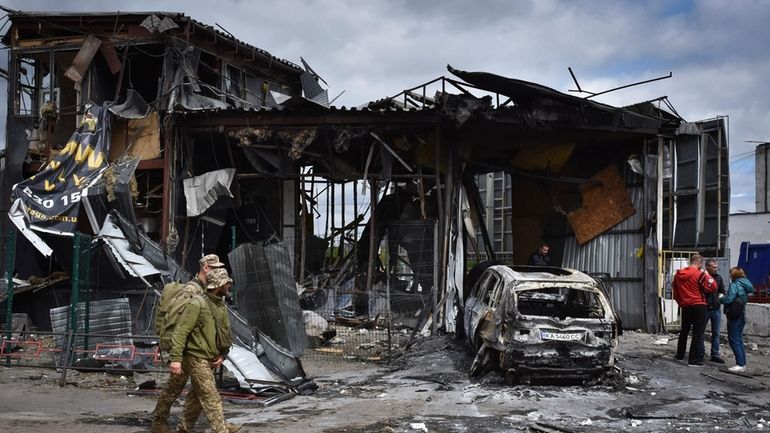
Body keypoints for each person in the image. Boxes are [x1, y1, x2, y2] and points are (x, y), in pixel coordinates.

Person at [151, 254, 227, 433]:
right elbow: (179, 322)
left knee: (197, 390)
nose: (218, 271)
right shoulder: (192, 290)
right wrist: (177, 354)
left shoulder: (206, 291)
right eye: (215, 268)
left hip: (197, 349)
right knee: (177, 388)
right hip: (187, 350)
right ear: (205, 268)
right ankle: (159, 421)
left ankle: (185, 426)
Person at [170, 268, 238, 433]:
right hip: (195, 357)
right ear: (218, 285)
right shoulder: (197, 303)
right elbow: (180, 332)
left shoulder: (220, 304)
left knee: (196, 397)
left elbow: (223, 332)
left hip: (210, 358)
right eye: (226, 282)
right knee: (211, 396)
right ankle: (220, 430)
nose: (229, 285)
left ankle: (183, 429)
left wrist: (223, 354)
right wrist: (176, 359)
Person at [673, 253, 717, 366]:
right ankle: (693, 360)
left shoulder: (678, 275)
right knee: (697, 333)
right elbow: (712, 286)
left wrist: (681, 303)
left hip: (686, 306)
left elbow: (676, 292)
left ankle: (679, 355)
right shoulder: (699, 274)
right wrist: (707, 275)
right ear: (700, 263)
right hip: (699, 305)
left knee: (684, 331)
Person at [720, 267, 754, 373]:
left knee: (734, 340)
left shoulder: (735, 285)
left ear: (733, 275)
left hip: (734, 315)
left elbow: (729, 299)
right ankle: (742, 364)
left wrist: (721, 298)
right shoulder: (745, 284)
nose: (729, 276)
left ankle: (739, 364)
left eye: (730, 274)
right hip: (741, 314)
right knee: (739, 340)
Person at [699, 258, 726, 364]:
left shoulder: (719, 278)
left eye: (716, 267)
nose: (716, 269)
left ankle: (715, 354)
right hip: (704, 308)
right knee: (700, 332)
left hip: (716, 309)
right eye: (713, 267)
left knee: (716, 333)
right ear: (707, 267)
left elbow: (722, 291)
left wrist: (719, 298)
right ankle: (700, 353)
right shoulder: (702, 278)